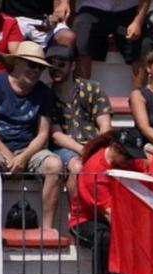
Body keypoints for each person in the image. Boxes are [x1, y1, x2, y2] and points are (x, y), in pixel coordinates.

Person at [0, 41, 64, 231]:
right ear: (17, 62)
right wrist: (7, 155)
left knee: (55, 165)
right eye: (32, 65)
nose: (36, 71)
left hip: (28, 149)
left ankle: (48, 229)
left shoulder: (43, 92)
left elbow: (43, 133)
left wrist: (23, 157)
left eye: (40, 67)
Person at [67, 129, 148, 274]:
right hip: (86, 219)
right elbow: (111, 214)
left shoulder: (127, 161)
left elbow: (148, 172)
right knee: (104, 236)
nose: (131, 161)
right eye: (127, 156)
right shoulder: (95, 170)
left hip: (124, 215)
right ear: (114, 149)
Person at [46, 44, 113, 180]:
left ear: (72, 66)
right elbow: (56, 136)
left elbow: (105, 126)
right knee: (78, 167)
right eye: (51, 65)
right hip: (63, 149)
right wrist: (84, 151)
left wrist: (96, 148)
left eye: (61, 64)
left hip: (95, 144)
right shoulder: (46, 94)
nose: (55, 69)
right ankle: (77, 202)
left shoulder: (92, 88)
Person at [71, 0, 151, 81]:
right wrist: (63, 4)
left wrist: (138, 22)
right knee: (81, 43)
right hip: (91, 7)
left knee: (143, 46)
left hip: (129, 8)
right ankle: (81, 91)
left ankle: (139, 92)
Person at [0, 0, 75, 48]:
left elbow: (60, 9)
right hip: (12, 18)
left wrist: (55, 18)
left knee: (67, 37)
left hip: (44, 19)